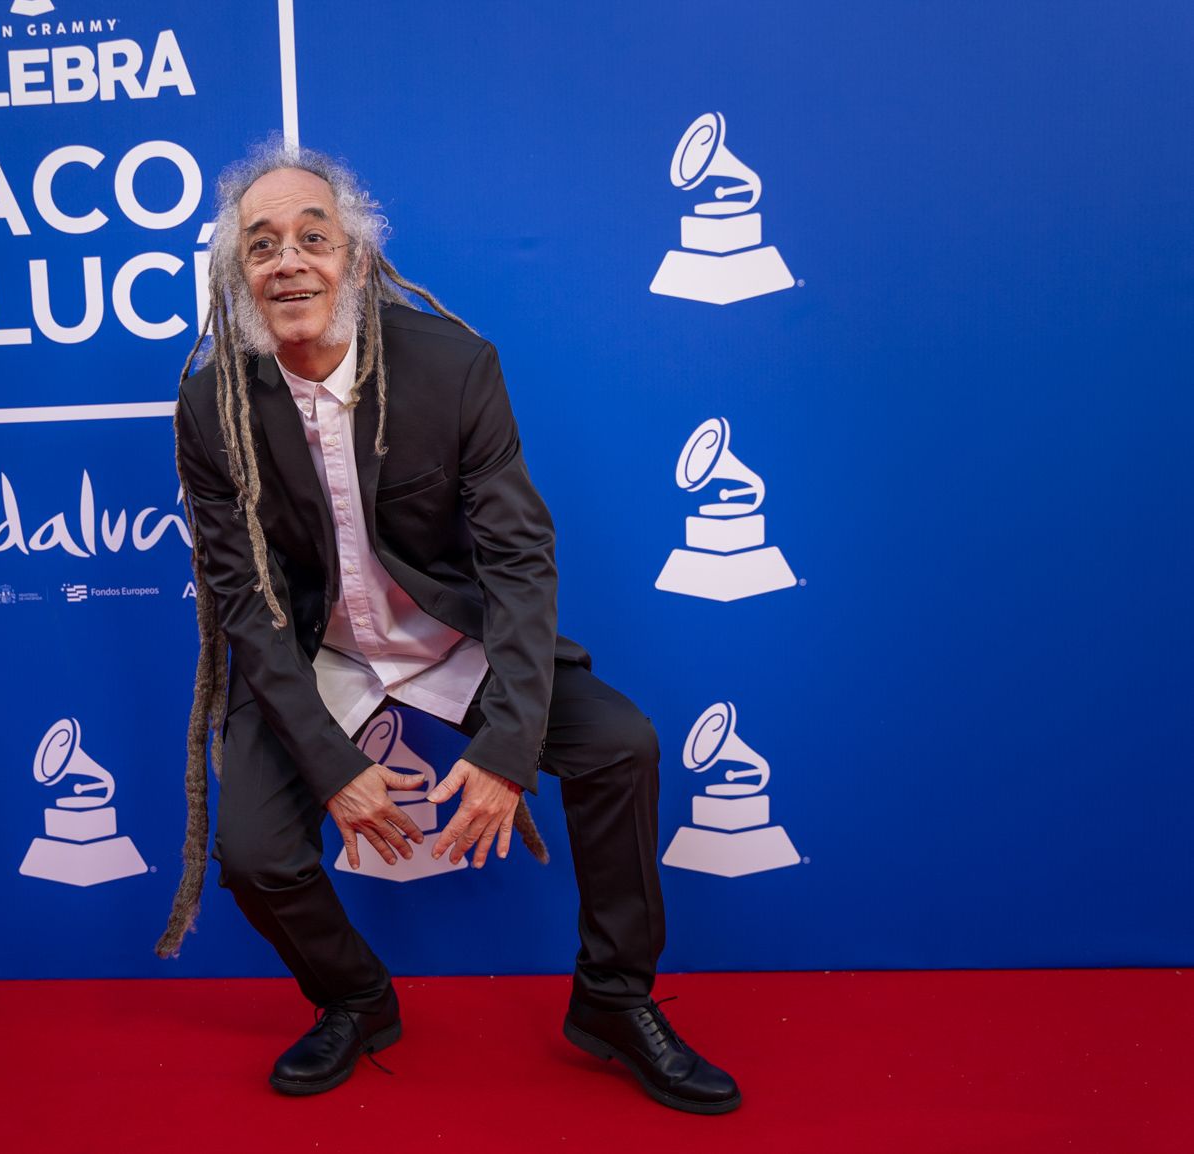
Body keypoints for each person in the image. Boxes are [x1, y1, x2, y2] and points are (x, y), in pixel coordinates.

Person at [155, 140, 740, 1115]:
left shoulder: (452, 366)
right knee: (255, 853)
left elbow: (516, 557)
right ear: (237, 276)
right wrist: (332, 765)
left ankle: (612, 995)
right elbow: (244, 602)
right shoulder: (210, 406)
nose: (289, 260)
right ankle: (354, 996)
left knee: (622, 745)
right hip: (319, 647)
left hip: (444, 636)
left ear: (357, 256)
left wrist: (509, 746)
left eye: (313, 236)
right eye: (261, 246)